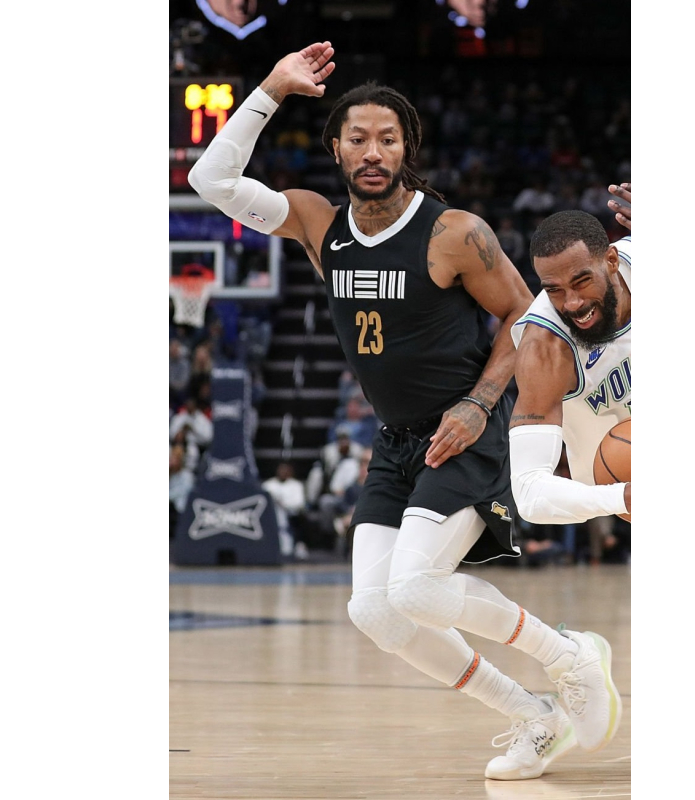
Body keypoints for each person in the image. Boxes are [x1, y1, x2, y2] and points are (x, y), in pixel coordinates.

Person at [188, 41, 621, 781]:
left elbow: (527, 318)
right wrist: (271, 88)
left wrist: (479, 403)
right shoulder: (318, 224)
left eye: (387, 139)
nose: (372, 151)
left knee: (416, 588)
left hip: (469, 430)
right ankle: (534, 715)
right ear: (335, 148)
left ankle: (570, 656)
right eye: (357, 137)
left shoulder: (453, 233)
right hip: (398, 443)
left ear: (406, 149)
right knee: (374, 610)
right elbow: (212, 180)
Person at [508, 183, 632, 532]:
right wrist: (622, 496)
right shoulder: (544, 347)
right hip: (622, 479)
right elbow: (529, 493)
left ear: (611, 261)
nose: (572, 303)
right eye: (554, 290)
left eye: (581, 282)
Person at [262, 461, 309, 560]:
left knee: (297, 518)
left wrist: (283, 504)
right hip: (271, 515)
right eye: (281, 470)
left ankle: (298, 546)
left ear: (290, 471)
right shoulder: (268, 485)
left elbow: (299, 504)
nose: (283, 472)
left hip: (291, 515)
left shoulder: (296, 485)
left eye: (285, 470)